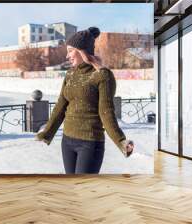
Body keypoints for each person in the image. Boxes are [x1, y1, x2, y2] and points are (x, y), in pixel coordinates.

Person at [35, 27, 134, 174]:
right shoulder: (70, 74)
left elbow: (106, 112)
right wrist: (47, 132)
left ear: (82, 50)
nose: (67, 56)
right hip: (67, 141)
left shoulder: (102, 76)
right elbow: (61, 106)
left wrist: (121, 141)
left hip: (90, 143)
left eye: (70, 50)